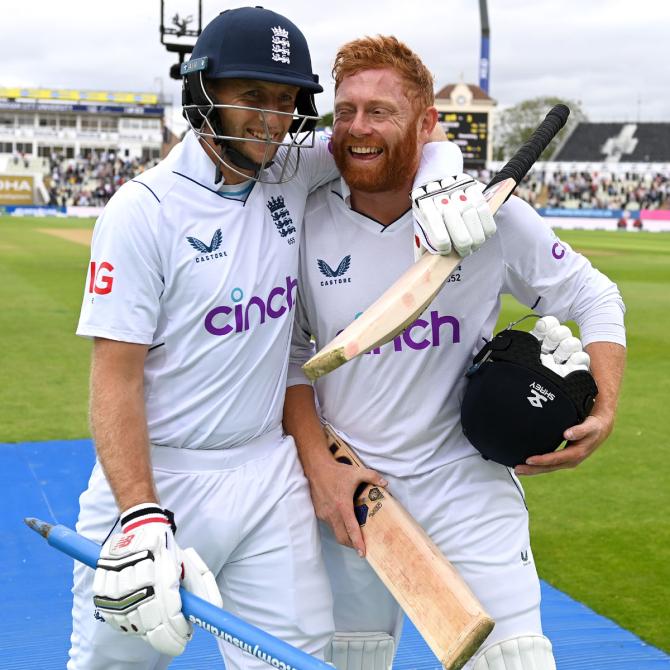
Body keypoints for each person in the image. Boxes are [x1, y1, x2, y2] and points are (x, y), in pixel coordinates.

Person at [70, 8, 479, 670]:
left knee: (296, 660)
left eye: (287, 101)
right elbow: (113, 379)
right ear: (203, 92)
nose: (272, 118)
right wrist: (142, 515)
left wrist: (444, 165)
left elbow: (387, 137)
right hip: (166, 478)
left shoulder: (286, 171)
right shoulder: (141, 213)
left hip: (269, 473)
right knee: (115, 664)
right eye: (253, 96)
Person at [283, 36, 626, 670]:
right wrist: (321, 469)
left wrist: (602, 408)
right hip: (351, 486)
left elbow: (595, 297)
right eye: (346, 111)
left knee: (516, 662)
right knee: (350, 663)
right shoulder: (302, 220)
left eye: (380, 111)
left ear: (426, 120)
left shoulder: (484, 216)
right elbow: (289, 355)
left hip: (464, 482)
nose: (358, 128)